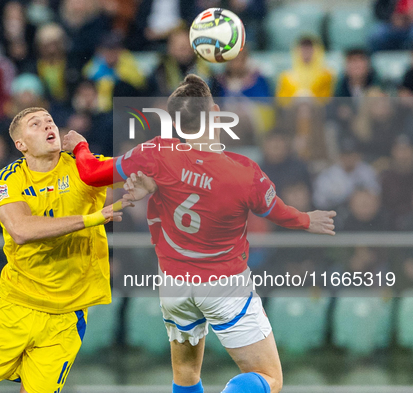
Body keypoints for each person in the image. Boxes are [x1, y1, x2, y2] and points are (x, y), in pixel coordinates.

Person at [63, 75, 336, 393]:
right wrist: (306, 219)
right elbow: (276, 212)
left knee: (186, 374)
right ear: (216, 113)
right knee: (269, 377)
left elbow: (93, 174)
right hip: (224, 285)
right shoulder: (244, 171)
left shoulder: (156, 153)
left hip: (175, 285)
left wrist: (81, 146)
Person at [0, 107, 128, 393]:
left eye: (50, 121)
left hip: (65, 316)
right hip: (13, 306)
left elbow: (143, 170)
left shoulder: (85, 167)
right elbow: (21, 230)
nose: (49, 126)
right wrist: (93, 219)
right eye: (36, 124)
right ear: (20, 144)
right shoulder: (8, 178)